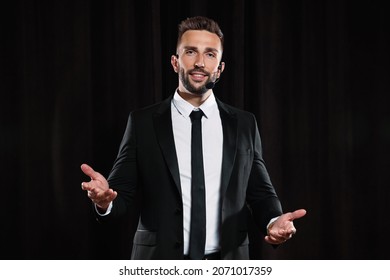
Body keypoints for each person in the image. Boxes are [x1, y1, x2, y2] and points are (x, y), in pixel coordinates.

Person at [81, 16, 306, 260]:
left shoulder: (244, 124)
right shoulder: (143, 123)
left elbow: (261, 193)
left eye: (210, 54)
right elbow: (120, 194)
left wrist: (274, 221)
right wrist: (105, 201)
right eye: (190, 52)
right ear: (175, 62)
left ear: (219, 68)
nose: (200, 62)